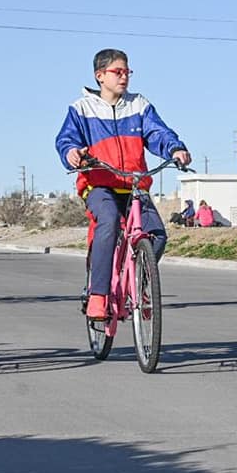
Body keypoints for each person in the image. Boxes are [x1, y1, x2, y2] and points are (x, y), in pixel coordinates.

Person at [56, 48, 191, 321]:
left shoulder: (138, 104)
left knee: (157, 234)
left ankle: (139, 282)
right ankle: (98, 295)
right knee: (108, 222)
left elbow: (157, 132)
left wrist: (175, 149)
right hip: (99, 184)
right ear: (100, 76)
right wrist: (72, 153)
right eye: (117, 72)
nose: (124, 77)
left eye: (127, 71)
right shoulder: (81, 108)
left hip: (134, 185)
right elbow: (66, 140)